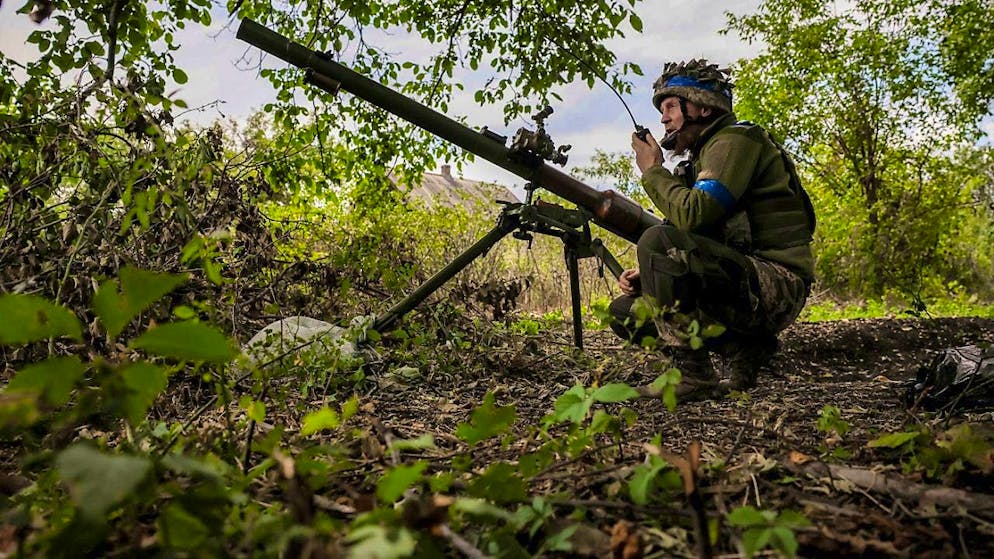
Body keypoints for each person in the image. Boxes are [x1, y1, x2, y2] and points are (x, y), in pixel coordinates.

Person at [609, 59, 816, 400]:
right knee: (625, 312)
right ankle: (744, 347)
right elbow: (689, 240)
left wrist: (652, 172)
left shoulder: (735, 141)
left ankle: (694, 375)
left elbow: (693, 216)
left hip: (778, 282)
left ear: (702, 108)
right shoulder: (701, 161)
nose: (664, 118)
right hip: (742, 280)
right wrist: (648, 277)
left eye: (671, 107)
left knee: (656, 241)